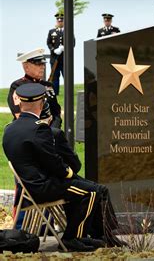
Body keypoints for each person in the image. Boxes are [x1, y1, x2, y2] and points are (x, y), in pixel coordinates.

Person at [2, 84, 102, 251]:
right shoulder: (39, 128)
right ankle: (73, 237)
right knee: (91, 191)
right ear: (41, 103)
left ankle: (77, 236)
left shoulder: (9, 129)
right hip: (42, 188)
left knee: (81, 189)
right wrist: (68, 172)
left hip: (28, 188)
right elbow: (53, 162)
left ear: (20, 103)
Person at [38, 103, 123, 247]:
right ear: (50, 118)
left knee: (97, 189)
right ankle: (100, 235)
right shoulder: (54, 134)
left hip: (42, 182)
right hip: (56, 182)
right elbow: (75, 165)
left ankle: (102, 235)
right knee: (97, 190)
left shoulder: (26, 133)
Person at [7, 48, 62, 128]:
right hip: (28, 131)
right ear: (26, 67)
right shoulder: (18, 86)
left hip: (49, 132)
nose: (43, 67)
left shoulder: (48, 85)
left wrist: (53, 130)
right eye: (38, 64)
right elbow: (18, 114)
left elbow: (56, 112)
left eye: (43, 64)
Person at [46, 13, 65, 95]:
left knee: (66, 76)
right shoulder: (51, 31)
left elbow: (73, 43)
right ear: (57, 21)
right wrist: (53, 50)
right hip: (55, 58)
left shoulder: (68, 30)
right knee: (55, 77)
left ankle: (68, 91)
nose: (60, 22)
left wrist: (64, 48)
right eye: (58, 20)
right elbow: (48, 43)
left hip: (65, 59)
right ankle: (55, 93)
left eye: (61, 21)